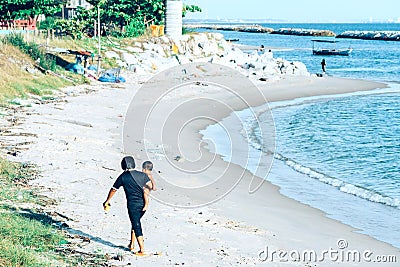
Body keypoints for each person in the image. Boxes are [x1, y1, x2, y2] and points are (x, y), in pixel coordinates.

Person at [103, 156, 152, 255]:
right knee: (135, 222)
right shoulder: (142, 175)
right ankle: (131, 244)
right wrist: (146, 203)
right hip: (144, 204)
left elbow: (114, 189)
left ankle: (142, 250)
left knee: (136, 224)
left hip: (132, 205)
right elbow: (148, 187)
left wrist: (107, 201)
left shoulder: (123, 177)